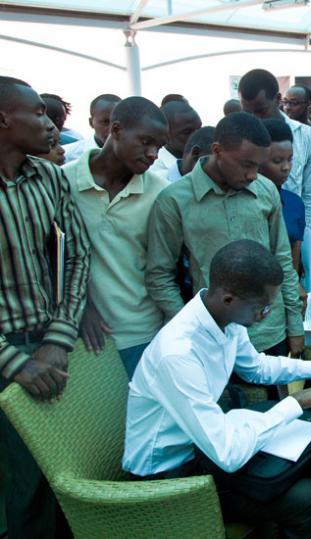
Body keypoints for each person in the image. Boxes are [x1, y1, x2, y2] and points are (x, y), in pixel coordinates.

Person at [124, 239, 311, 538]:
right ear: (228, 299)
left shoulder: (226, 317)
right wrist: (296, 402)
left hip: (205, 444)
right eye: (263, 308)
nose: (265, 315)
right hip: (171, 477)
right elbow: (228, 454)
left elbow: (255, 367)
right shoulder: (179, 354)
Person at [0, 76, 91, 538]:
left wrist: (58, 339)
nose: (50, 124)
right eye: (37, 113)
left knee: (69, 474)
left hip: (53, 346)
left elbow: (77, 255)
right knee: (26, 487)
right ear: (3, 119)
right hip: (7, 359)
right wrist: (14, 362)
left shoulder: (50, 178)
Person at [146, 112, 305, 359]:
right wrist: (189, 327)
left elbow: (282, 258)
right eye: (246, 164)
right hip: (215, 336)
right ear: (218, 150)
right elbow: (160, 275)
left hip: (271, 332)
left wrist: (295, 325)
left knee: (281, 397)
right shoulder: (174, 200)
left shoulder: (265, 190)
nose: (253, 175)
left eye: (258, 166)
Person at [64, 96, 169, 379]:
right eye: (145, 142)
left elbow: (164, 267)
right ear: (117, 130)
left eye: (159, 147)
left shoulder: (160, 192)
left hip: (142, 332)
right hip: (79, 336)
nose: (153, 154)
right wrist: (82, 307)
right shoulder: (64, 182)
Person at [238, 68, 311, 231]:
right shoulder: (240, 137)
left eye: (261, 111)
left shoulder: (308, 136)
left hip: (291, 228)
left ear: (278, 100)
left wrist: (306, 237)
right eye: (247, 112)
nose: (254, 119)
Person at [260, 119, 305, 275]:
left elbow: (294, 262)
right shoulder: (248, 202)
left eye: (290, 159)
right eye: (277, 161)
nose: (286, 167)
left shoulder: (295, 203)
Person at [149, 100, 203, 180]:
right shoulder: (154, 171)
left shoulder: (205, 160)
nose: (197, 136)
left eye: (199, 129)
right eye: (187, 132)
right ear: (166, 135)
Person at [63, 93, 122, 162]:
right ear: (91, 123)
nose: (112, 128)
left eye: (118, 122)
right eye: (106, 122)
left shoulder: (134, 154)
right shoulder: (68, 155)